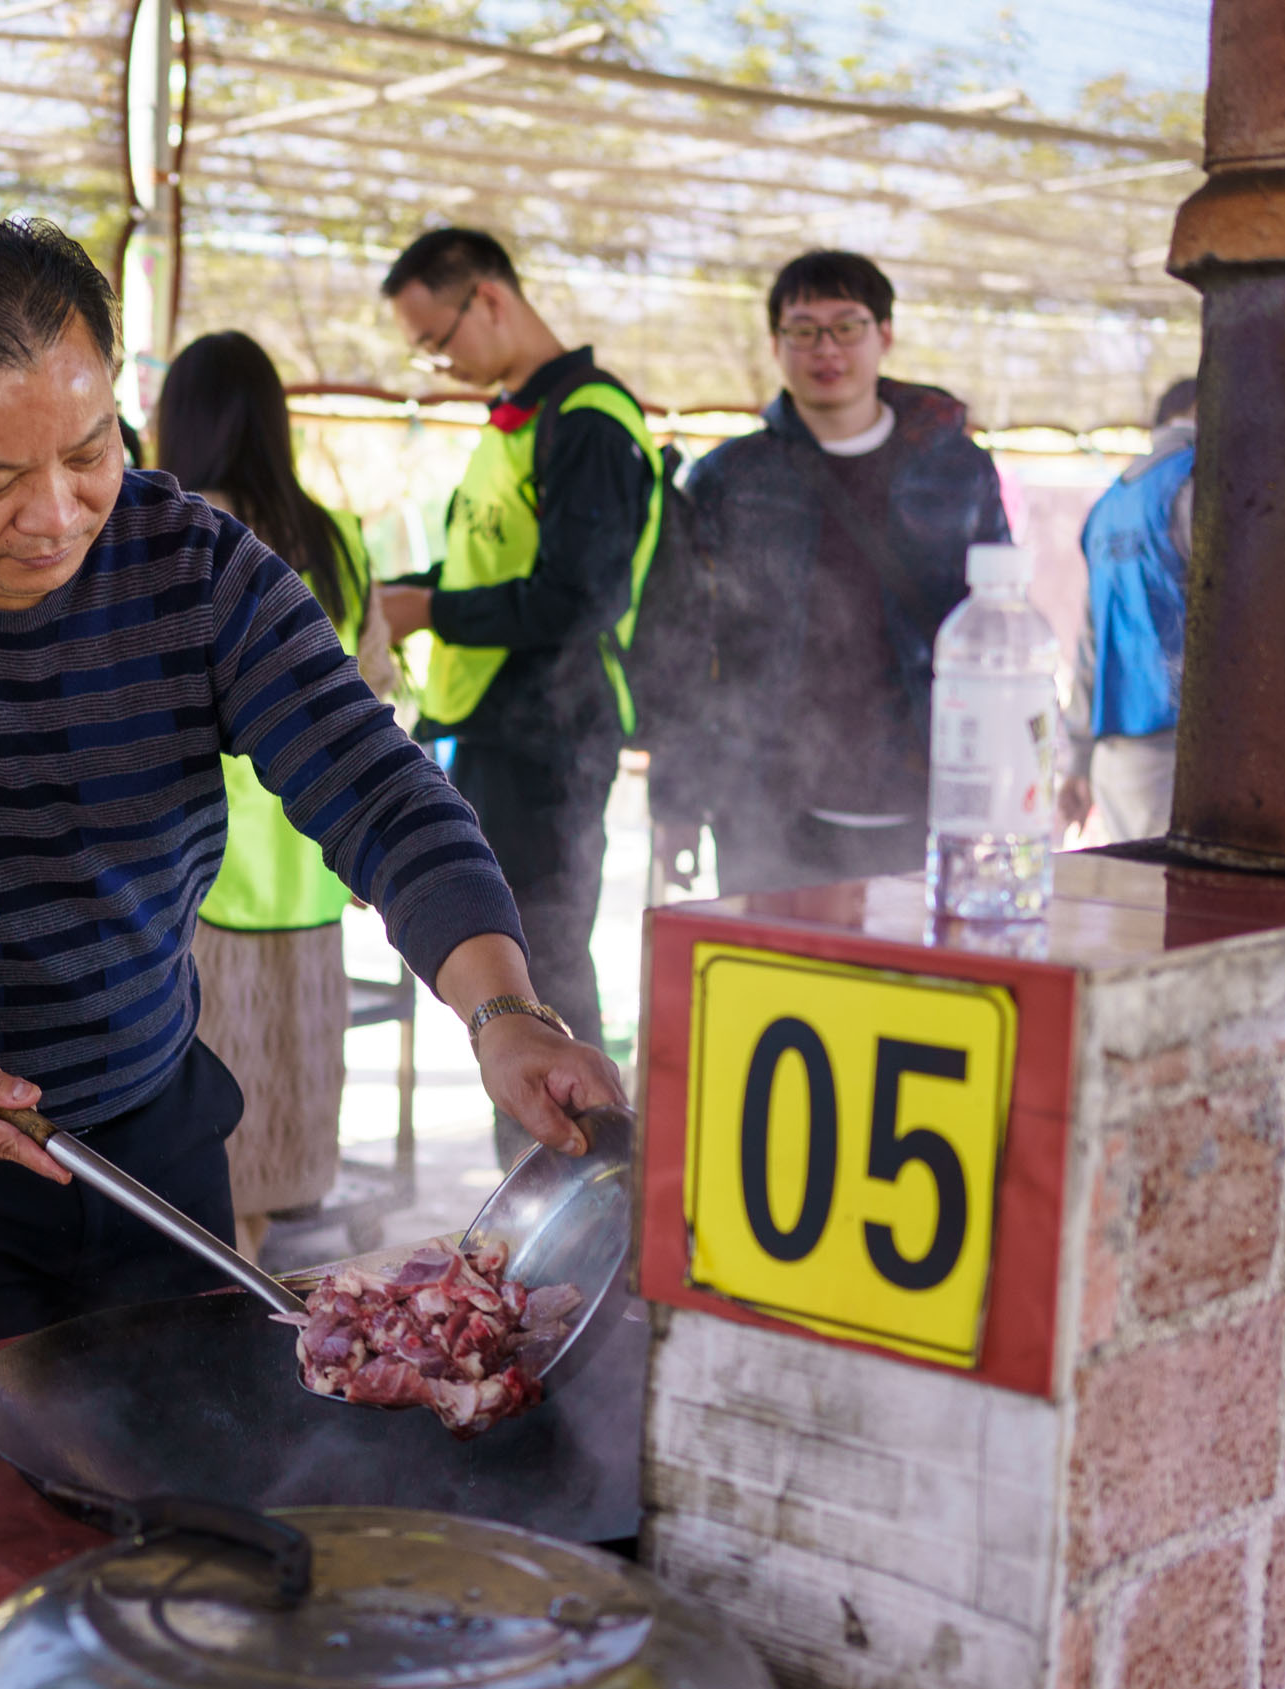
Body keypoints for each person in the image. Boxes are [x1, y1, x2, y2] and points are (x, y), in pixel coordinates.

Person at [0, 217, 622, 1381]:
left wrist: (502, 1012)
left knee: (194, 1457)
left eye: (89, 452)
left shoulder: (194, 564)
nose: (55, 515)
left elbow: (377, 787)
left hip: (149, 1115)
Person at [372, 228, 665, 1153]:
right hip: (493, 735)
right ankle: (534, 1192)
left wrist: (430, 607)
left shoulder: (590, 421)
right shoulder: (517, 424)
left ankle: (585, 1197)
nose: (438, 361)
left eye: (438, 336)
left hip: (553, 742)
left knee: (546, 980)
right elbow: (489, 566)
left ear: (489, 297)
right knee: (509, 976)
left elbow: (581, 597)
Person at [653, 250, 1011, 894]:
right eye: (804, 329)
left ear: (885, 335)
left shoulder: (957, 469)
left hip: (925, 796)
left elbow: (998, 631)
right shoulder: (727, 478)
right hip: (768, 803)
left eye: (847, 326)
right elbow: (686, 645)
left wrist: (1002, 783)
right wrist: (676, 804)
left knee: (913, 987)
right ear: (776, 344)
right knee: (775, 984)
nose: (827, 349)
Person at [153, 330, 395, 1259]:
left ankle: (226, 1286)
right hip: (311, 862)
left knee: (198, 1115)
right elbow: (373, 688)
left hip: (196, 872)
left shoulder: (172, 525)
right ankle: (256, 1276)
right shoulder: (333, 534)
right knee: (282, 1096)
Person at [1060, 377, 1197, 843]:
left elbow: (1090, 643)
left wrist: (1077, 759)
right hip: (1182, 750)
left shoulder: (1108, 506)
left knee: (1138, 904)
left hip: (1117, 756)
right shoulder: (1196, 482)